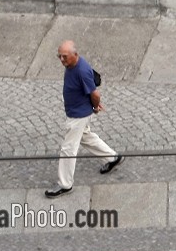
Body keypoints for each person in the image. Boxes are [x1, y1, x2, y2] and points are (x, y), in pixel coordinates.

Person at [46, 40, 121, 198]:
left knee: (68, 149)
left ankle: (65, 184)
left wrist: (95, 106)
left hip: (78, 116)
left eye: (65, 57)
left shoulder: (82, 70)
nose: (62, 60)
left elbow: (95, 94)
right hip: (78, 112)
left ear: (75, 55)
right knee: (86, 137)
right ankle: (113, 157)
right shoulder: (71, 65)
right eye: (59, 56)